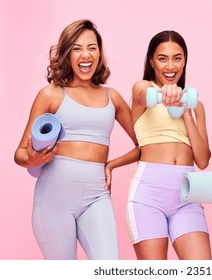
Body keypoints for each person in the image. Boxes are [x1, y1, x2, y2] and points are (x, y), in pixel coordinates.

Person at [14, 19, 139, 260]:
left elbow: (145, 144)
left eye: (92, 47)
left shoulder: (112, 97)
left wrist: (112, 164)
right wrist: (32, 158)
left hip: (97, 196)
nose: (86, 54)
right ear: (66, 53)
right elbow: (19, 153)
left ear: (100, 53)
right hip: (53, 199)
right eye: (77, 48)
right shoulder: (51, 94)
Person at [126, 30, 212, 260]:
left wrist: (185, 112)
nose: (170, 66)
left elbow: (203, 161)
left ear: (185, 60)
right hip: (148, 195)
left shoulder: (196, 106)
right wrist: (163, 95)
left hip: (187, 195)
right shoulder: (142, 90)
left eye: (177, 57)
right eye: (162, 58)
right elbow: (142, 94)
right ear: (152, 61)